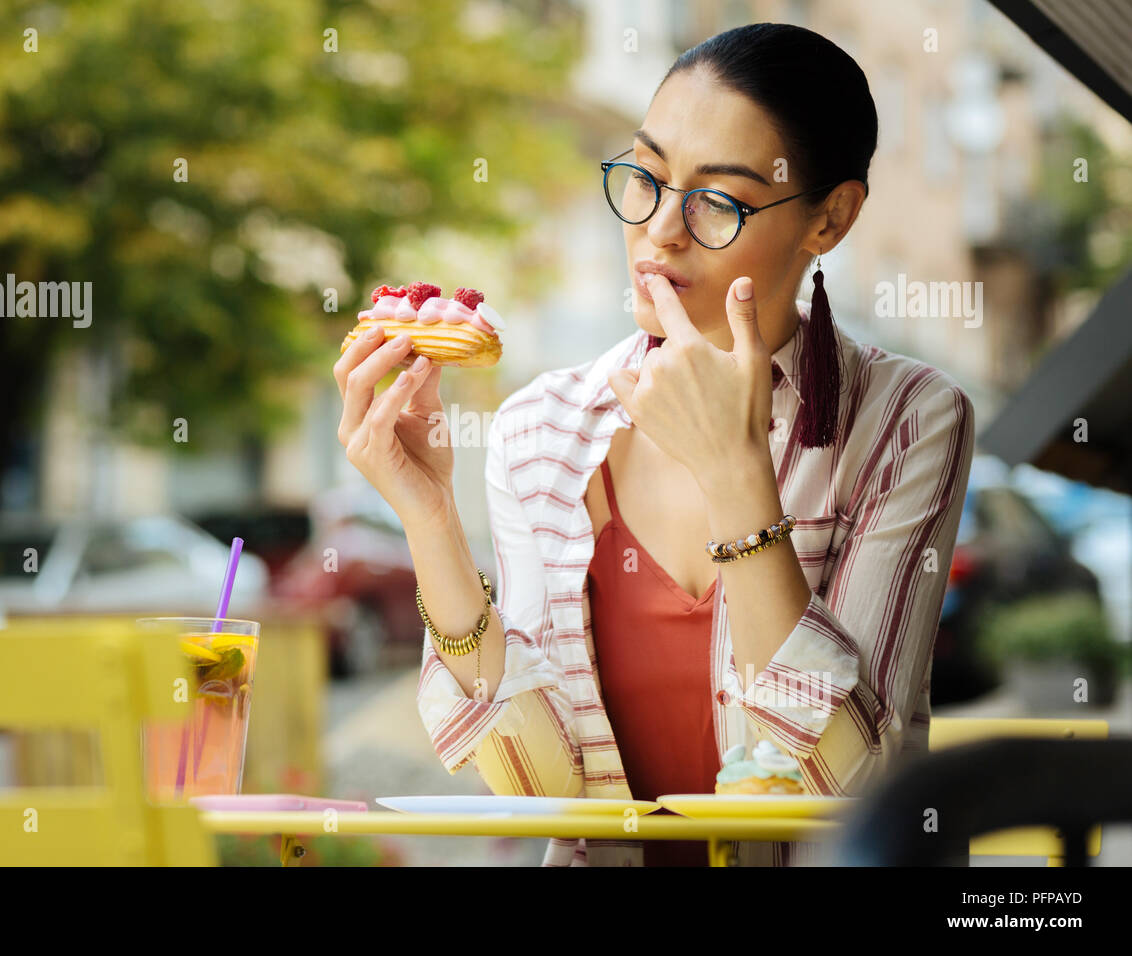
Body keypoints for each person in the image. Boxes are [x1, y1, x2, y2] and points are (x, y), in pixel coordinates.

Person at [333, 22, 975, 866]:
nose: (660, 231)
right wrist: (430, 520)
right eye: (645, 177)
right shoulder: (540, 430)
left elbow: (842, 784)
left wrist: (733, 467)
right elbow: (539, 790)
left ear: (830, 218)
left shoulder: (906, 420)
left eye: (719, 199)